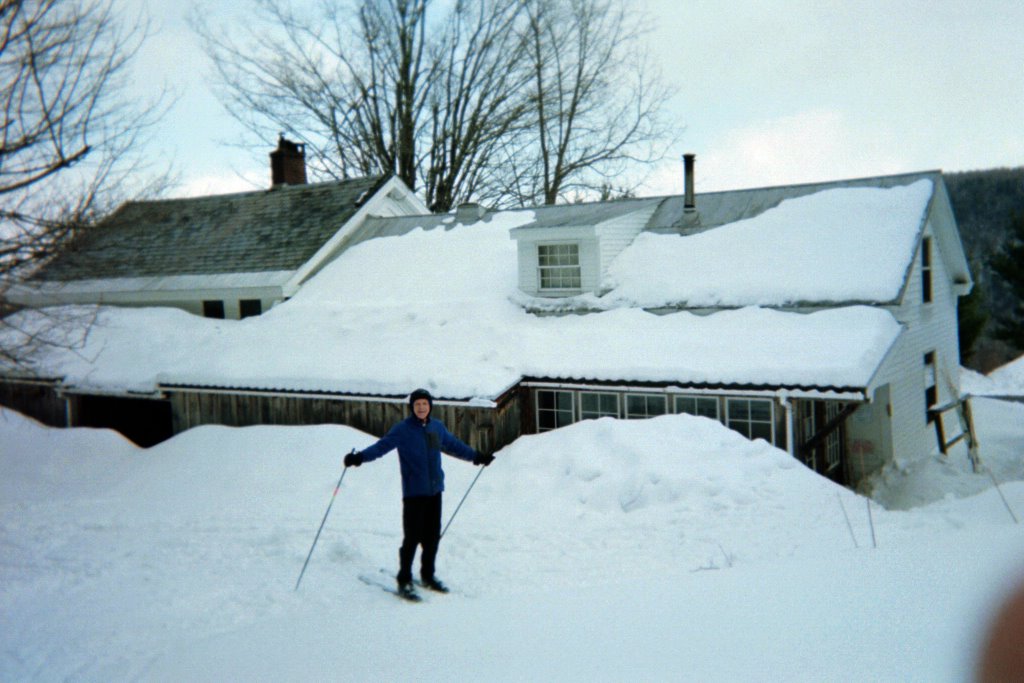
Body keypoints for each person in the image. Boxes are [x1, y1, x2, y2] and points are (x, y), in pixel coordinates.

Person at [345, 388, 494, 599]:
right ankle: (404, 579)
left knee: (432, 537)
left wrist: (476, 456)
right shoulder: (402, 430)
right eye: (417, 404)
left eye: (424, 404)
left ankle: (427, 575)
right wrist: (359, 457)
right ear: (412, 407)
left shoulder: (436, 427)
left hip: (435, 491)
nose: (421, 408)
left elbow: (454, 445)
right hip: (414, 493)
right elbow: (381, 447)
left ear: (430, 406)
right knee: (412, 538)